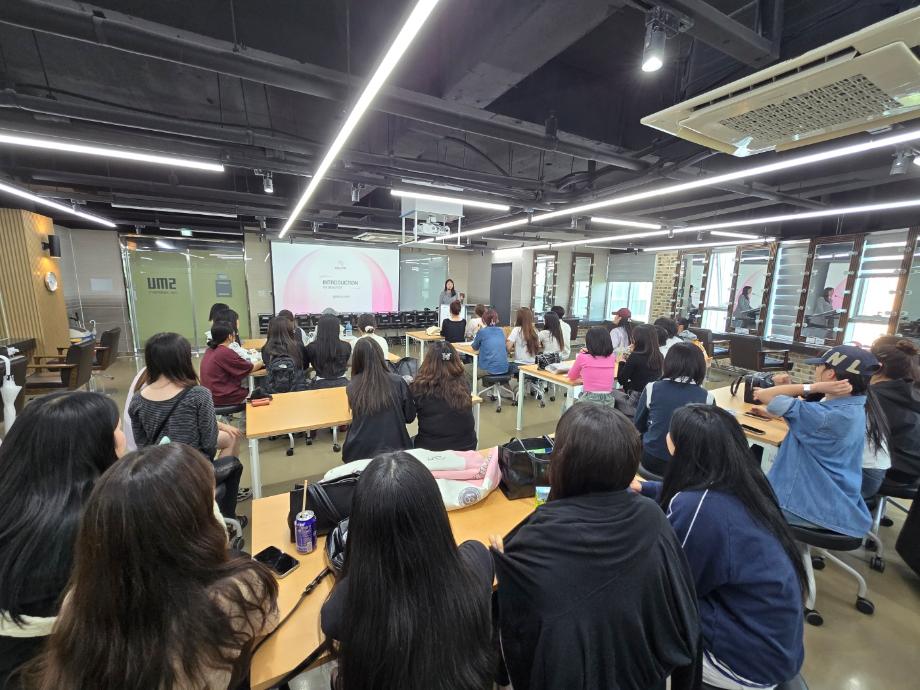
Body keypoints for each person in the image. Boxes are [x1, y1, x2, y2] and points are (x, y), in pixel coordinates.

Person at [23, 444, 279, 690]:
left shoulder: (77, 606)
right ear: (196, 525)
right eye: (210, 503)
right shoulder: (234, 594)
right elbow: (269, 624)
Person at [491, 404, 700, 690]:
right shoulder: (651, 516)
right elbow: (684, 614)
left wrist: (503, 562)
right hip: (644, 674)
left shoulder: (534, 542)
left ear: (560, 463)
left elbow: (515, 640)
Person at [636, 405, 806, 690]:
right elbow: (684, 493)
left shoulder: (701, 509)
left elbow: (671, 587)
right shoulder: (749, 485)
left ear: (678, 447)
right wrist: (646, 489)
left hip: (740, 662)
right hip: (775, 646)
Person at [320, 452, 494, 690]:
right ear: (435, 515)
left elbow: (332, 619)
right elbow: (476, 552)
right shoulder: (475, 565)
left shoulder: (346, 603)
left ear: (361, 529)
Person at [0, 392, 125, 690]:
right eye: (118, 430)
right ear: (96, 447)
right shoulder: (103, 520)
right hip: (72, 671)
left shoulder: (12, 509)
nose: (124, 439)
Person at [752, 346, 885, 538]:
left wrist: (813, 387)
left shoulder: (825, 415)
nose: (815, 370)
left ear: (830, 374)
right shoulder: (854, 406)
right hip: (834, 497)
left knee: (734, 497)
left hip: (805, 504)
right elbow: (808, 421)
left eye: (818, 367)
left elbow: (765, 395)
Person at [128, 332, 244, 518]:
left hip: (158, 474)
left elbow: (142, 446)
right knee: (233, 465)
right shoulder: (198, 394)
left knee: (229, 437)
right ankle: (224, 516)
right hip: (193, 471)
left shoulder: (137, 400)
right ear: (183, 359)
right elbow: (209, 443)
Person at [635, 342, 714, 477]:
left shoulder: (652, 388)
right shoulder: (707, 398)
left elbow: (639, 425)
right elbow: (707, 439)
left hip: (651, 460)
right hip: (686, 468)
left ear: (667, 363)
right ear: (700, 367)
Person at [342, 339, 416, 462]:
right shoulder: (398, 382)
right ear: (381, 356)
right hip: (396, 450)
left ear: (356, 359)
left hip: (360, 452)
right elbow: (410, 417)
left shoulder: (352, 386)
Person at [869, 336, 920, 492]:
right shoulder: (912, 391)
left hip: (891, 472)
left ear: (877, 366)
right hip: (914, 471)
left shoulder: (873, 395)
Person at [410, 342, 476, 452]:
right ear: (456, 359)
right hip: (467, 446)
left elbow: (409, 417)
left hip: (432, 450)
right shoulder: (464, 382)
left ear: (428, 361)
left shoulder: (419, 386)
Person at [201, 321, 263, 407]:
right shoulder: (224, 352)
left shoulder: (209, 350)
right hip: (223, 397)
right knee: (259, 391)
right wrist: (262, 362)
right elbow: (249, 368)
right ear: (229, 336)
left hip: (210, 396)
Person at [569, 326, 617, 406]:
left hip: (589, 400)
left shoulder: (582, 357)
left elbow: (572, 376)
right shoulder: (612, 357)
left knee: (567, 407)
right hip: (609, 400)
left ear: (589, 342)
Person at [305, 314, 352, 389]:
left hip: (319, 385)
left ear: (319, 328)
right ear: (337, 328)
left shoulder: (311, 347)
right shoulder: (346, 346)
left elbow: (306, 366)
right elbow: (348, 363)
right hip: (343, 384)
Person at [616, 323, 663, 394]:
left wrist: (621, 362)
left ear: (638, 339)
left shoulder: (635, 356)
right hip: (652, 393)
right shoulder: (659, 355)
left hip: (635, 394)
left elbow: (621, 380)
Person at [470, 309, 509, 377]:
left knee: (465, 370)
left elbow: (474, 347)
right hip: (504, 368)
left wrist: (478, 334)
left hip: (489, 369)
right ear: (496, 320)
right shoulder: (502, 330)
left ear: (484, 320)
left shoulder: (482, 332)